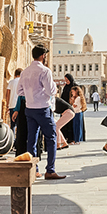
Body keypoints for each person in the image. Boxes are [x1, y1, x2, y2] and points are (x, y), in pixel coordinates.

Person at [17, 45, 67, 180]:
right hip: (43, 108)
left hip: (29, 108)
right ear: (43, 56)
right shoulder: (45, 71)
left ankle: (34, 169)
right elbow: (51, 91)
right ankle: (50, 170)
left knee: (32, 139)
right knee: (51, 138)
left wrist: (30, 94)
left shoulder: (25, 71)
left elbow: (19, 91)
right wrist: (44, 93)